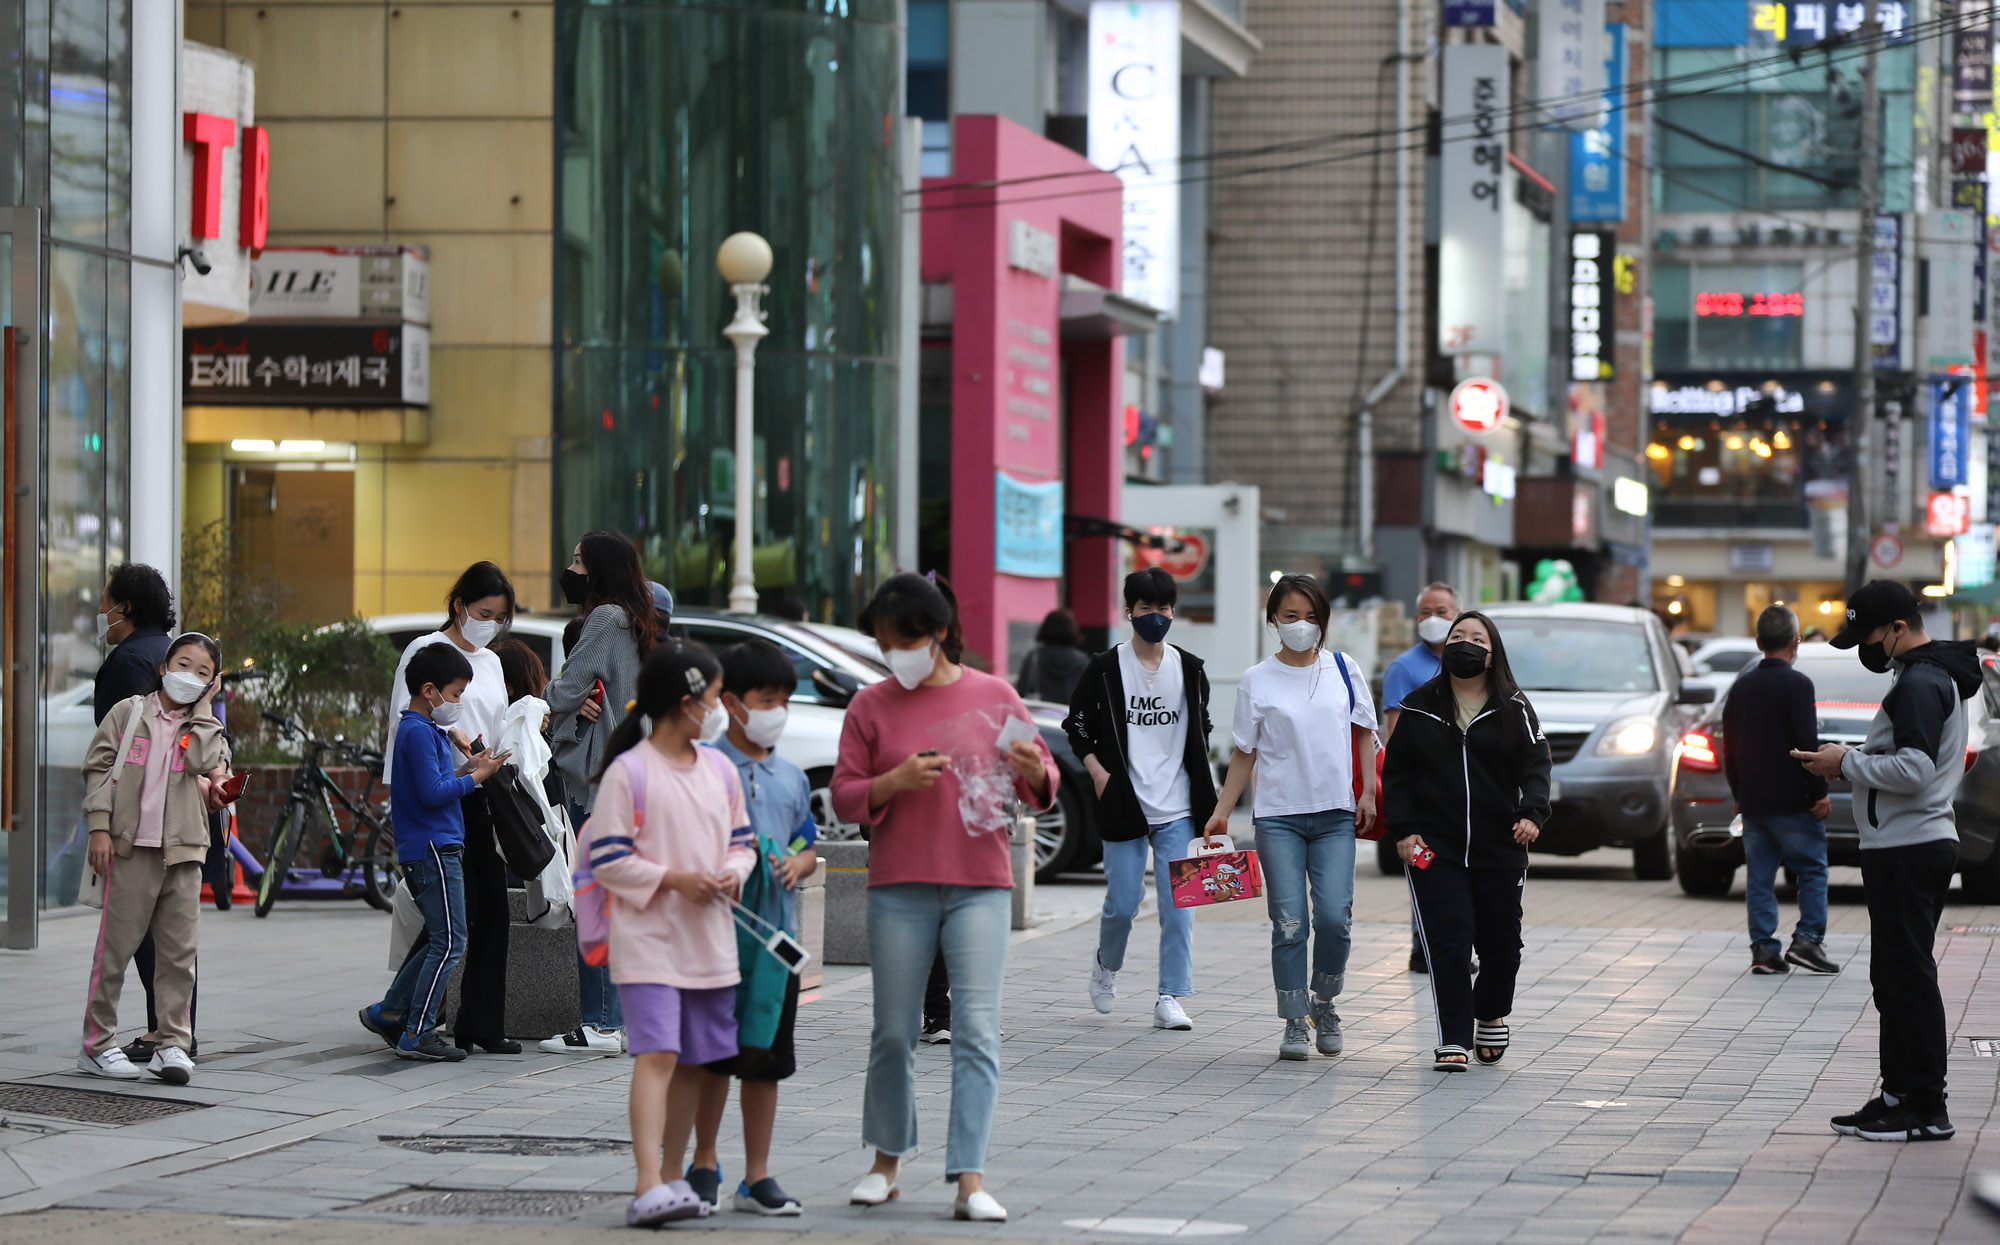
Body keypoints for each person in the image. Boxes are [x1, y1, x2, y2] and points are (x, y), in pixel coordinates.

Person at [832, 572, 1057, 1223]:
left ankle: (970, 1178)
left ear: (938, 633)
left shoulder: (994, 695)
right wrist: (893, 781)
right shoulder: (870, 705)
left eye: (901, 640)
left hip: (980, 887)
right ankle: (885, 1163)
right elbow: (845, 795)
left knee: (977, 1030)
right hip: (898, 886)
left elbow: (1042, 781)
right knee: (893, 1030)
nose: (891, 653)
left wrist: (1035, 770)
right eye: (882, 642)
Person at [1797, 581, 1981, 1143]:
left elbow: (1915, 770)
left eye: (1869, 636)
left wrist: (1846, 763)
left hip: (1910, 845)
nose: (1865, 649)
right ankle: (1900, 1094)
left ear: (1899, 628)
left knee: (1908, 979)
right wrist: (1849, 760)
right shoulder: (1922, 676)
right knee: (1894, 976)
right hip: (1904, 843)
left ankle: (1924, 1107)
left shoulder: (1922, 682)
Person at [582, 642, 756, 1228]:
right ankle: (647, 1183)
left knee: (693, 1062)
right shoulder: (629, 772)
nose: (720, 709)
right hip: (649, 943)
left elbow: (743, 844)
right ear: (687, 704)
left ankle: (673, 1176)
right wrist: (676, 880)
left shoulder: (720, 770)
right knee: (657, 1055)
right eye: (715, 698)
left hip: (710, 943)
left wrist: (732, 873)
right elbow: (607, 860)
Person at [1204, 574, 1377, 1061]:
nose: (1302, 625)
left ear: (1325, 620)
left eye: (1312, 616)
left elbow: (1364, 731)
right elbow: (1245, 752)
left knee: (1335, 918)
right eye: (1291, 616)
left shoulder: (1343, 668)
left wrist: (1368, 792)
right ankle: (1294, 1019)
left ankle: (1325, 1001)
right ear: (1274, 620)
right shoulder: (1256, 679)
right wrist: (1221, 812)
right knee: (1288, 923)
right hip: (1278, 818)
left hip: (1335, 815)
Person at [1383, 612, 1551, 1071]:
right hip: (1435, 848)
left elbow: (1536, 765)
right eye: (1458, 636)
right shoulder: (1419, 706)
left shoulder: (1514, 706)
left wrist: (1532, 813)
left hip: (1501, 847)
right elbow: (1397, 774)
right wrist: (1404, 829)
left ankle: (1491, 1011)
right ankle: (1453, 1037)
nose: (1465, 643)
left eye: (1478, 639)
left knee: (1502, 945)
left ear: (1493, 654)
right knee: (1449, 941)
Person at [685, 639, 819, 1216]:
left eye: (784, 700)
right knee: (714, 1058)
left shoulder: (791, 776)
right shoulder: (705, 767)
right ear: (733, 703)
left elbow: (807, 843)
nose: (778, 712)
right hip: (717, 940)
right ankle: (704, 1163)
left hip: (776, 947)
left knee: (766, 1060)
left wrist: (797, 864)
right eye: (767, 700)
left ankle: (757, 1176)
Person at [1064, 567, 1216, 1031]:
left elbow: (1202, 728)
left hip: (1179, 807)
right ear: (1128, 611)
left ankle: (1171, 995)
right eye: (1146, 607)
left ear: (1174, 611)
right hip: (1124, 801)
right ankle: (1106, 965)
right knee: (1123, 902)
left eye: (1163, 607)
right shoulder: (1105, 667)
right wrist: (1099, 773)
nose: (1156, 615)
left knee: (1179, 906)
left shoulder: (1190, 669)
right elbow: (1077, 725)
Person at [77, 633, 231, 1084]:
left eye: (202, 672)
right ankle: (96, 1045)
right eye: (183, 664)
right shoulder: (129, 713)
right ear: (164, 667)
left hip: (184, 854)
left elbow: (204, 761)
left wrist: (204, 708)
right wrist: (99, 828)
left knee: (180, 957)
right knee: (114, 953)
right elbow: (97, 768)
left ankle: (173, 1044)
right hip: (129, 850)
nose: (190, 676)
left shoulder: (204, 727)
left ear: (212, 682)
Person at [383, 561, 522, 1055]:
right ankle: (403, 1013)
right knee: (452, 917)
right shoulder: (425, 651)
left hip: (479, 791)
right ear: (460, 606)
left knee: (489, 910)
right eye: (484, 614)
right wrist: (454, 740)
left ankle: (478, 1021)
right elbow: (406, 725)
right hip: (440, 796)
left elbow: (497, 724)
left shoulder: (492, 662)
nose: (491, 625)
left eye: (500, 618)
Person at [361, 643, 511, 1062]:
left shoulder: (422, 730)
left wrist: (468, 768)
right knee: (450, 942)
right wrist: (477, 776)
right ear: (429, 691)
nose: (458, 702)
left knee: (442, 938)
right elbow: (432, 794)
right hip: (433, 848)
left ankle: (390, 1010)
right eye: (456, 693)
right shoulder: (418, 731)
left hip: (432, 846)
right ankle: (418, 1031)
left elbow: (433, 783)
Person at [540, 532, 659, 1056]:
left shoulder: (606, 618)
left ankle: (602, 1024)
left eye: (577, 561)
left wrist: (535, 699)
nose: (571, 570)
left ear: (600, 570)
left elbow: (568, 687)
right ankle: (615, 1020)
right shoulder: (635, 619)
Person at [89, 564, 210, 1064]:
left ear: (125, 608)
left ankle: (169, 1037)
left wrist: (102, 825)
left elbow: (113, 760)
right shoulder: (171, 659)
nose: (102, 612)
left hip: (153, 831)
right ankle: (159, 1035)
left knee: (142, 943)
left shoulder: (126, 663)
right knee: (168, 946)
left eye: (106, 602)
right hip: (161, 829)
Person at [1723, 605, 1839, 976]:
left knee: (1759, 877)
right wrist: (1819, 792)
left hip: (1755, 802)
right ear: (1796, 641)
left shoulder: (1741, 686)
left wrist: (1738, 792)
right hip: (1794, 801)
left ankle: (1763, 949)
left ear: (1758, 642)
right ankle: (1808, 939)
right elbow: (1805, 742)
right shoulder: (1798, 685)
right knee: (1812, 870)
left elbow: (1730, 745)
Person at [1381, 581, 1459, 974]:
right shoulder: (1404, 668)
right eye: (1426, 612)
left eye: (1442, 611)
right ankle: (1422, 945)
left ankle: (1456, 945)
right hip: (1424, 793)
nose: (1433, 619)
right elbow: (1395, 737)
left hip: (1462, 791)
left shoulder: (1472, 664)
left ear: (1457, 615)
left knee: (1459, 872)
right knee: (1424, 866)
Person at [1015, 608, 1090, 704]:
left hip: (1040, 712)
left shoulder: (1034, 657)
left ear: (1045, 628)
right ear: (1072, 629)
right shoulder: (1082, 661)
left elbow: (1022, 689)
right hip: (1070, 711)